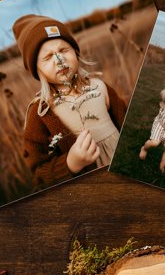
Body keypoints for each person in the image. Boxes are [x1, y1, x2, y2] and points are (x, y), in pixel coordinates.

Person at [12, 14, 127, 191]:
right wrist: (70, 163)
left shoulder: (99, 87)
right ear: (37, 69)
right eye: (48, 57)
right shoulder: (41, 112)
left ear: (75, 52)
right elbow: (39, 174)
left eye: (64, 50)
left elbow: (128, 123)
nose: (59, 60)